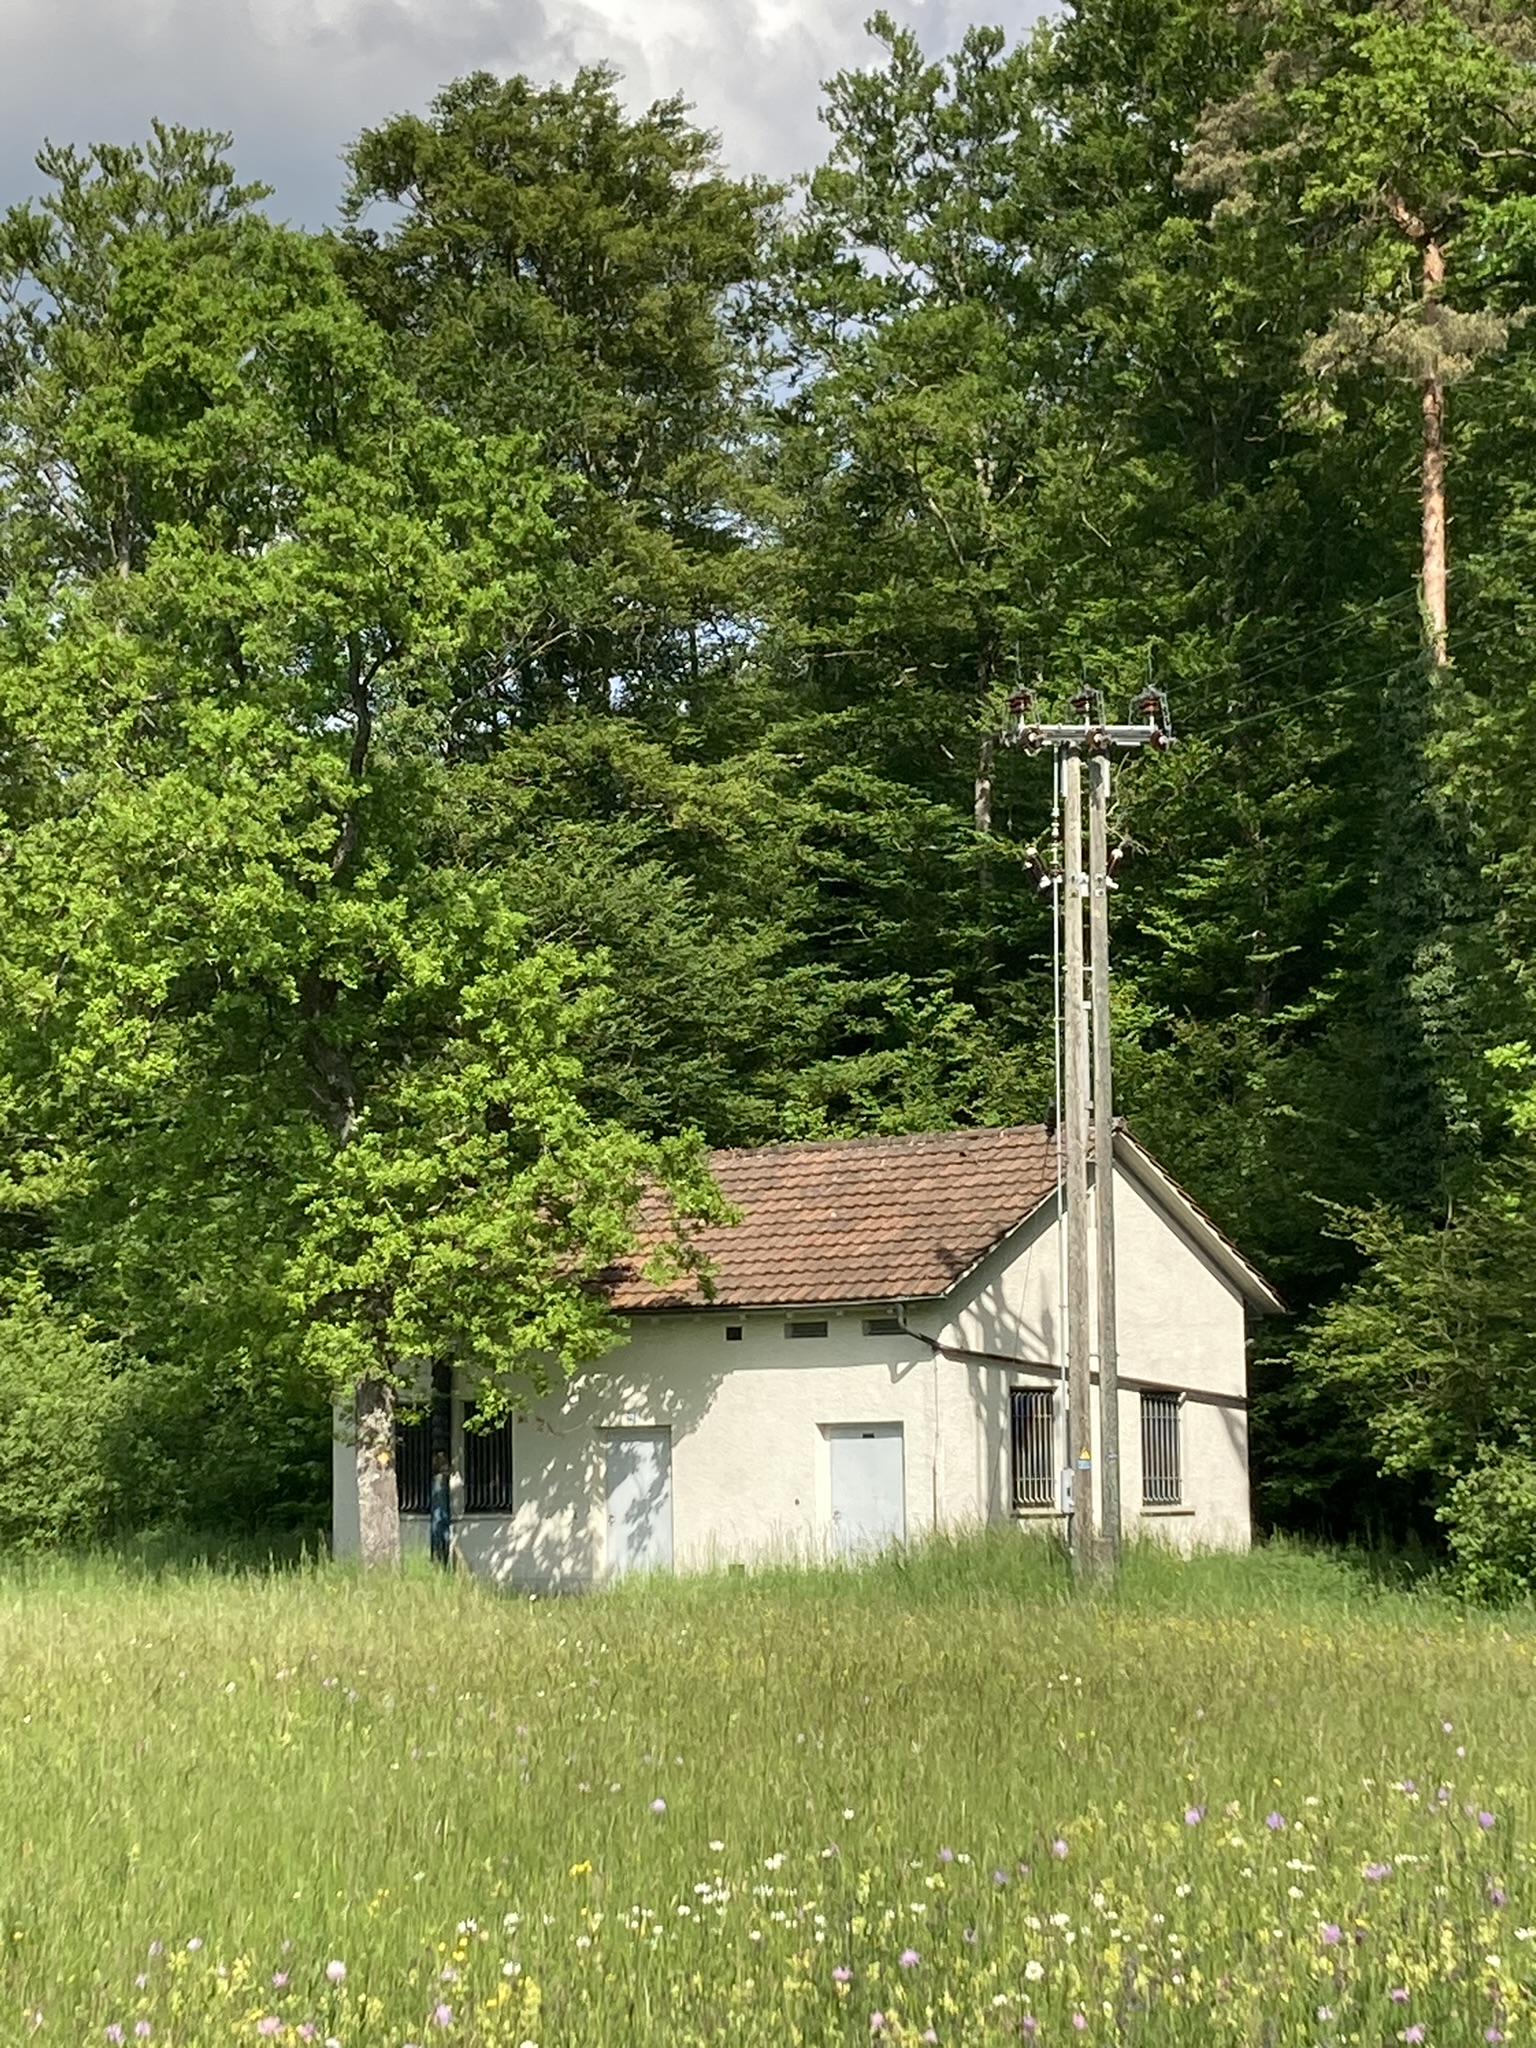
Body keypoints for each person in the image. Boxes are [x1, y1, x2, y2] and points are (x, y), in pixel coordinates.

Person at [429, 1449, 452, 1569]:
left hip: (440, 1519)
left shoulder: (438, 1480)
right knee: (442, 1530)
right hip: (441, 1520)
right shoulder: (440, 1480)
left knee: (440, 1528)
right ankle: (442, 1559)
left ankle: (440, 1558)